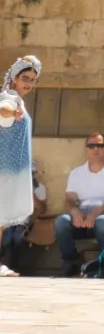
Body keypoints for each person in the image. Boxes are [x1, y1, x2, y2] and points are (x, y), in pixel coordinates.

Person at [55, 132, 104, 276]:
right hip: (82, 215)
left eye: (100, 145)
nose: (96, 149)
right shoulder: (76, 173)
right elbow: (69, 199)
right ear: (86, 149)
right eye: (92, 146)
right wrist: (75, 212)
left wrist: (96, 213)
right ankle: (71, 263)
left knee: (102, 221)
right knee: (61, 221)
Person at [0, 56, 41, 278]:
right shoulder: (10, 98)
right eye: (25, 78)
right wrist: (10, 112)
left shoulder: (18, 100)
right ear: (14, 78)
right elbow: (2, 109)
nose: (28, 83)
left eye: (32, 80)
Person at [0, 162, 47, 276]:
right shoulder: (12, 186)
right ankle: (5, 265)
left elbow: (41, 210)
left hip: (27, 221)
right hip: (10, 219)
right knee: (6, 238)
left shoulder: (40, 188)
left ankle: (14, 266)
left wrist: (31, 193)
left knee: (17, 238)